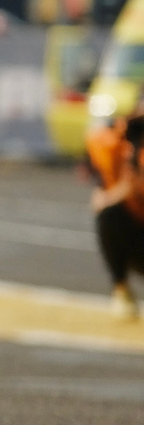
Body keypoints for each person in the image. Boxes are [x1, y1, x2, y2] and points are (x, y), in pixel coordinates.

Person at [87, 112, 144, 319]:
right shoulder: (113, 141)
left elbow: (135, 185)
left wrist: (110, 196)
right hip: (137, 232)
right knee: (110, 216)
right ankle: (121, 289)